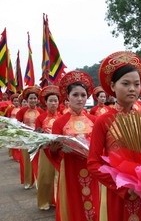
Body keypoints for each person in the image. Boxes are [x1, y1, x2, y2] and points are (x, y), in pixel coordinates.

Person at [87, 51, 141, 220]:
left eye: (136, 84)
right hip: (117, 193)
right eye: (125, 83)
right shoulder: (103, 121)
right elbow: (93, 163)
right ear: (112, 86)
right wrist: (122, 185)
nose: (132, 89)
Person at [45, 71, 100, 221]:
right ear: (67, 97)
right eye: (75, 95)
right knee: (73, 201)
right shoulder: (60, 123)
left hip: (92, 169)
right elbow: (52, 151)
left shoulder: (95, 120)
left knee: (95, 202)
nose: (80, 99)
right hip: (70, 169)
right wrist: (54, 149)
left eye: (83, 95)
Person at [35, 85, 61, 210]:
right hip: (45, 151)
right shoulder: (40, 118)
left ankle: (57, 200)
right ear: (45, 102)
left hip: (60, 151)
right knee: (45, 177)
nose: (53, 103)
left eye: (55, 100)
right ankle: (44, 201)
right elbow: (36, 135)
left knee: (58, 177)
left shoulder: (61, 117)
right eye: (50, 100)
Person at [16, 86, 44, 189]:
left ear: (37, 100)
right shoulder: (22, 111)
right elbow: (17, 125)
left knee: (38, 161)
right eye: (30, 98)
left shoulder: (41, 111)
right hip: (26, 140)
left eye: (34, 98)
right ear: (27, 100)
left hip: (38, 140)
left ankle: (38, 181)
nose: (32, 100)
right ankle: (28, 181)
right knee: (27, 161)